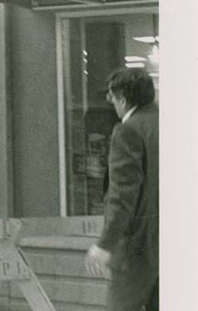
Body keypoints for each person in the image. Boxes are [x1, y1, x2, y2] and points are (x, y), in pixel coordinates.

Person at [85, 68, 158, 310]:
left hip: (138, 250)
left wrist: (105, 243)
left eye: (112, 97)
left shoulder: (127, 131)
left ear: (123, 99)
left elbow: (122, 195)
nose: (112, 104)